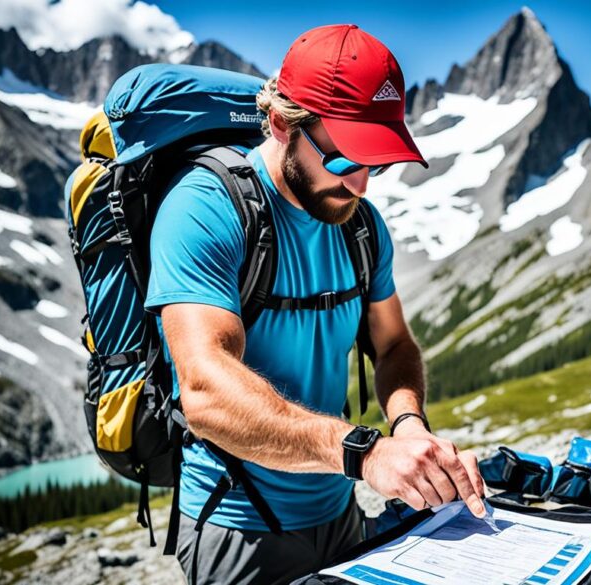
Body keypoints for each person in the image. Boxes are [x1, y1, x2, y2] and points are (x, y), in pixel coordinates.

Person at [146, 24, 488, 585]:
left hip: (339, 507)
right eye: (344, 159)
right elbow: (206, 392)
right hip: (238, 525)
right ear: (281, 123)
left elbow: (394, 344)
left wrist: (407, 425)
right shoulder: (205, 208)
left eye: (375, 164)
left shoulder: (362, 227)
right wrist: (366, 455)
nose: (360, 186)